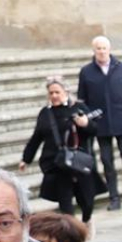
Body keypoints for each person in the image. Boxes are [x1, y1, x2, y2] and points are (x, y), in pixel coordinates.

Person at [19, 77, 101, 222]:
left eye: (57, 92)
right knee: (65, 203)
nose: (54, 96)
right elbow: (37, 137)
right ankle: (71, 232)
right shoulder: (45, 113)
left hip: (79, 161)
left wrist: (85, 124)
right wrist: (26, 158)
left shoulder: (79, 108)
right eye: (51, 93)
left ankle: (87, 221)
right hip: (57, 163)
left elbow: (94, 130)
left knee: (87, 201)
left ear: (66, 92)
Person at [78, 37, 122, 209]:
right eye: (98, 48)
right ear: (94, 50)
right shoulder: (86, 72)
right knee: (107, 161)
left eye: (104, 48)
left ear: (109, 49)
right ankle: (114, 197)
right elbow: (82, 98)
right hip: (101, 124)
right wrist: (90, 115)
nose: (101, 51)